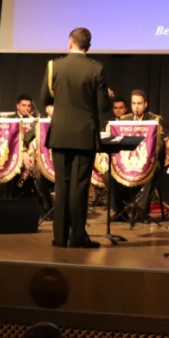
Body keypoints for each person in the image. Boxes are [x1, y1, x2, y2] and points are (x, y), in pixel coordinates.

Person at [41, 27, 111, 248]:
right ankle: (78, 237)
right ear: (88, 46)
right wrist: (107, 95)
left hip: (60, 134)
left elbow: (45, 98)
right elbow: (103, 106)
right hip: (84, 136)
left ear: (70, 43)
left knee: (62, 185)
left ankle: (60, 237)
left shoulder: (54, 66)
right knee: (79, 187)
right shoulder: (96, 69)